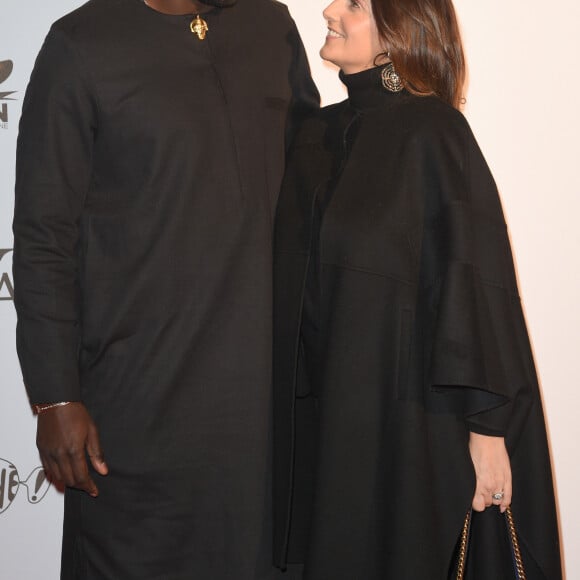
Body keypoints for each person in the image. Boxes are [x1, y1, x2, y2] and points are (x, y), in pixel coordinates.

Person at [13, 0, 318, 578]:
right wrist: (55, 396)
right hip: (133, 410)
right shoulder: (80, 45)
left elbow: (315, 174)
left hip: (261, 408)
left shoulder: (269, 24)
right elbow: (43, 237)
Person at [272, 0, 562, 578]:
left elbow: (474, 279)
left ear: (397, 30)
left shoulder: (434, 133)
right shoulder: (314, 135)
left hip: (407, 428)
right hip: (322, 427)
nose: (329, 10)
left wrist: (486, 430)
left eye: (353, 4)